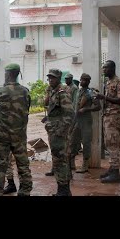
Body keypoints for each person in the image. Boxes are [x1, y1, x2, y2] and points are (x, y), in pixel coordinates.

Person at [0, 63, 32, 196]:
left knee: (0, 166)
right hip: (19, 135)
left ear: (8, 74)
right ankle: (25, 191)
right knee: (23, 164)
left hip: (2, 136)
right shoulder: (25, 91)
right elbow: (26, 110)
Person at [43, 68, 74, 196]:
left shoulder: (62, 93)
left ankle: (64, 190)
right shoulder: (52, 92)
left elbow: (70, 114)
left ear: (59, 78)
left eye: (53, 78)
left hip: (58, 133)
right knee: (59, 160)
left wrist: (60, 132)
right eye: (49, 77)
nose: (50, 80)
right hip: (53, 131)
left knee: (60, 161)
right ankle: (63, 190)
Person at [94, 60, 120, 183]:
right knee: (108, 143)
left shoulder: (119, 82)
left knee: (113, 144)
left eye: (106, 68)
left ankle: (115, 173)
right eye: (103, 68)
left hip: (113, 116)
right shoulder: (108, 82)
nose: (104, 70)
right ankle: (112, 169)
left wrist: (104, 97)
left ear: (112, 68)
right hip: (107, 115)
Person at [71, 73, 101, 173]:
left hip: (86, 121)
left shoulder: (91, 92)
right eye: (82, 79)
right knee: (73, 141)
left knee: (86, 142)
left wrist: (86, 109)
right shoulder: (78, 92)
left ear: (88, 82)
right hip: (76, 120)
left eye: (85, 80)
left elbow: (98, 106)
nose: (82, 81)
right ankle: (72, 163)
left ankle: (85, 165)